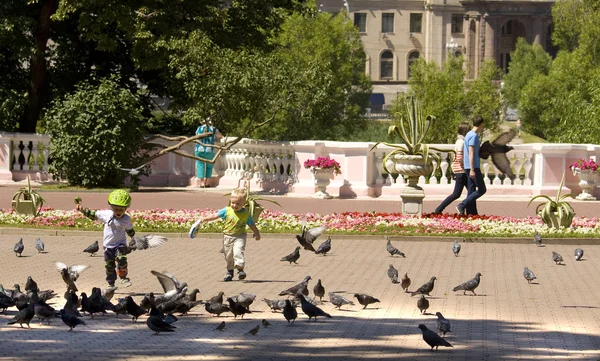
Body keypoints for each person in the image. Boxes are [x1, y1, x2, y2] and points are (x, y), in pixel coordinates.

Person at [189, 187, 261, 282]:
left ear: (244, 203)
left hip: (240, 236)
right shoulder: (226, 210)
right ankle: (229, 272)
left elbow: (251, 224)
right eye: (233, 203)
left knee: (238, 251)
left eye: (238, 204)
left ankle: (240, 270)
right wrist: (204, 219)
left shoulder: (245, 214)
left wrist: (257, 233)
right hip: (227, 236)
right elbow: (215, 215)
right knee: (228, 256)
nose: (235, 205)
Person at [77, 189, 135, 287]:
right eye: (116, 209)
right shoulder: (107, 214)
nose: (118, 212)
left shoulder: (126, 219)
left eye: (121, 209)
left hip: (120, 244)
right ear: (111, 207)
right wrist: (83, 210)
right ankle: (111, 284)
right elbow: (93, 215)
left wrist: (134, 239)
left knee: (121, 259)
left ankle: (123, 278)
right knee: (109, 266)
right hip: (108, 246)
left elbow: (129, 230)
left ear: (126, 208)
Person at [433, 122, 471, 214]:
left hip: (459, 170)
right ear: (465, 131)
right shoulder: (462, 142)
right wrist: (465, 167)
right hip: (461, 171)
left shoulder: (459, 141)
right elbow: (459, 157)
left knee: (471, 191)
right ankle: (439, 209)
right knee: (456, 194)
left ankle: (465, 209)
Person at [456, 116, 486, 216]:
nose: (483, 127)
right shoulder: (473, 136)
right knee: (482, 189)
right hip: (473, 167)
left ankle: (471, 213)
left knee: (471, 189)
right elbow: (471, 153)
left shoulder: (468, 134)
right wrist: (473, 169)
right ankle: (462, 205)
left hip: (468, 167)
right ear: (481, 124)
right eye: (483, 125)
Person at [195, 118, 223, 188]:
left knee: (200, 165)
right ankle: (207, 182)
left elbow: (196, 136)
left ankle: (201, 183)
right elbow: (220, 136)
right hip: (210, 150)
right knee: (209, 167)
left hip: (199, 149)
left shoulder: (199, 128)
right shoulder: (213, 129)